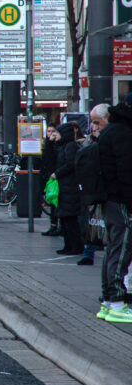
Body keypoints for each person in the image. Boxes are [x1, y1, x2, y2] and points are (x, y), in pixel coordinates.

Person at [96, 94, 132, 323]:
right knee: (121, 249)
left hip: (110, 199)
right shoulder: (124, 134)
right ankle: (117, 302)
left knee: (113, 249)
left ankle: (109, 302)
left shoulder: (112, 130)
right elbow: (126, 173)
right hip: (120, 200)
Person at [75, 105, 108, 266]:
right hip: (93, 190)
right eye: (93, 124)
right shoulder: (89, 142)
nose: (94, 127)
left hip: (106, 190)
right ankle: (89, 251)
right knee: (91, 221)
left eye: (96, 123)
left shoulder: (108, 140)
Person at [52, 122, 84, 256]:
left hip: (69, 187)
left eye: (57, 133)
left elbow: (70, 164)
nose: (55, 135)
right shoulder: (64, 146)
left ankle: (75, 246)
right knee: (65, 218)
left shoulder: (71, 146)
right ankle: (68, 245)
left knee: (69, 219)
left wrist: (57, 173)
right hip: (65, 186)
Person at [40, 124, 62, 236]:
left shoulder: (58, 145)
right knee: (52, 202)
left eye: (52, 131)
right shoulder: (48, 144)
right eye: (48, 131)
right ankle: (53, 225)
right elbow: (45, 159)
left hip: (56, 176)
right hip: (50, 177)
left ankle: (57, 225)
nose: (50, 134)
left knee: (56, 203)